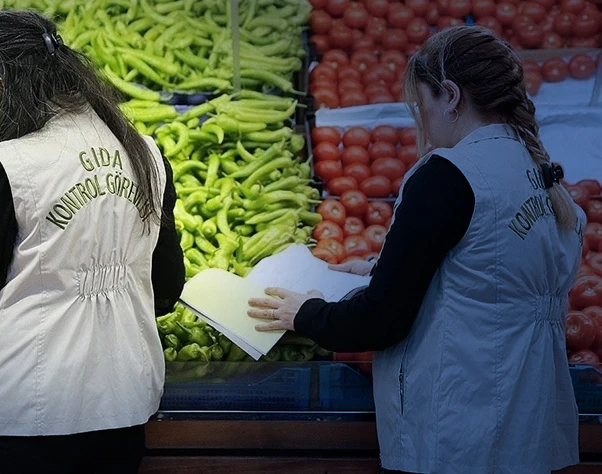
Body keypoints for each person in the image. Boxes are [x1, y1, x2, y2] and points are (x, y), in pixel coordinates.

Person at [248, 25, 584, 474]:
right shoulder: (534, 170)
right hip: (527, 429)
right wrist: (376, 268)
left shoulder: (448, 175)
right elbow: (485, 271)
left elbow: (382, 321)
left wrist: (306, 313)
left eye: (420, 104)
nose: (420, 119)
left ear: (449, 96)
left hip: (460, 433)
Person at [0, 10, 185, 474]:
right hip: (124, 399)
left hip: (29, 408)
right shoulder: (147, 153)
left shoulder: (11, 165)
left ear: (0, 83)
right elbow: (167, 288)